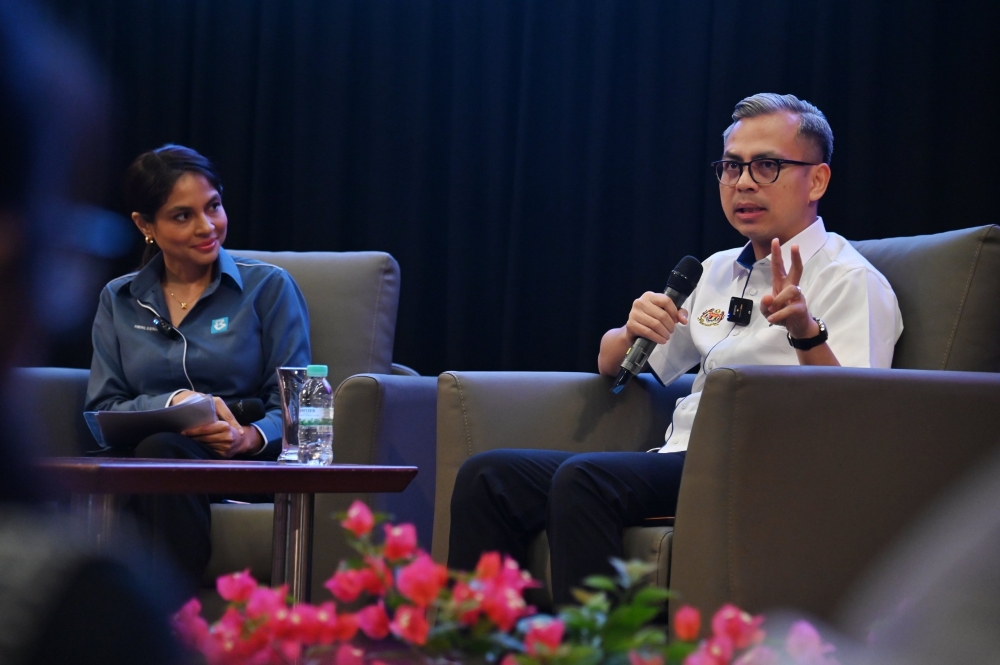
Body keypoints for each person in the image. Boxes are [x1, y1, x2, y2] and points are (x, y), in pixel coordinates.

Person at [447, 93, 904, 606]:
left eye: (767, 166)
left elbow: (857, 416)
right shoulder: (713, 271)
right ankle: (481, 647)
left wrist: (804, 329)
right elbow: (614, 366)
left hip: (761, 468)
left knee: (585, 480)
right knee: (489, 477)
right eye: (731, 167)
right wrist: (629, 331)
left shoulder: (851, 280)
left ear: (816, 180)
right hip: (677, 459)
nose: (744, 182)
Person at [85, 144, 311, 598]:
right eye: (183, 216)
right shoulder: (119, 298)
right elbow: (103, 412)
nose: (208, 227)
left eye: (214, 206)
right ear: (144, 225)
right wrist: (174, 404)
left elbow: (299, 405)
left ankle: (161, 619)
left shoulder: (268, 287)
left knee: (157, 455)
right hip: (151, 463)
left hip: (243, 467)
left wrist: (249, 436)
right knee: (160, 447)